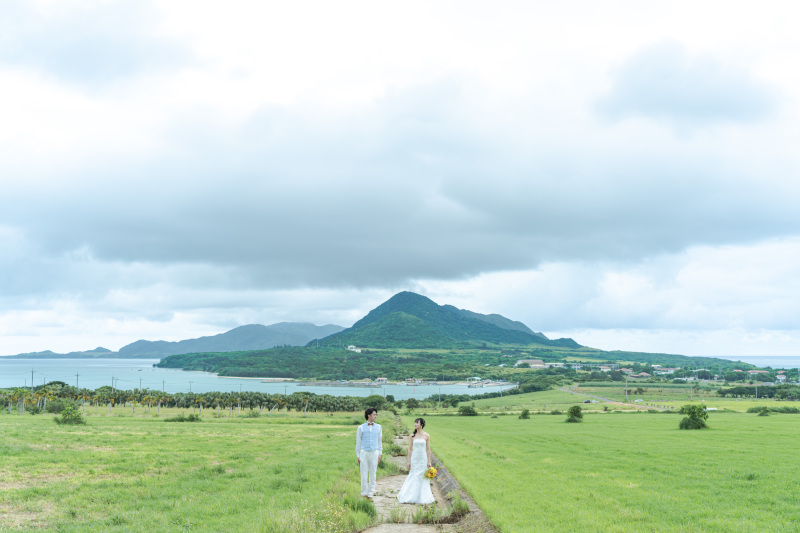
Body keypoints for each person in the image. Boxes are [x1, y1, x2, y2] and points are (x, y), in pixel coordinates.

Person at [396, 417, 435, 504]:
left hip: (423, 458)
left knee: (422, 476)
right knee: (413, 475)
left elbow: (428, 449)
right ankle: (410, 495)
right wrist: (409, 461)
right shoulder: (412, 436)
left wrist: (429, 461)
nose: (415, 424)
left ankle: (422, 497)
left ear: (421, 425)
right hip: (415, 458)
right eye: (415, 422)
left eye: (417, 423)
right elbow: (409, 449)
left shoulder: (426, 436)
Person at [356, 407, 382, 500]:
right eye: (374, 414)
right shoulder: (360, 427)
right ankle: (364, 494)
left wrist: (380, 453)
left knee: (373, 474)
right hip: (364, 452)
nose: (375, 416)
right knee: (363, 474)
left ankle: (370, 494)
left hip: (374, 452)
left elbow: (379, 442)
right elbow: (358, 442)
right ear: (369, 415)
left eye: (376, 414)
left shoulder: (378, 427)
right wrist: (358, 455)